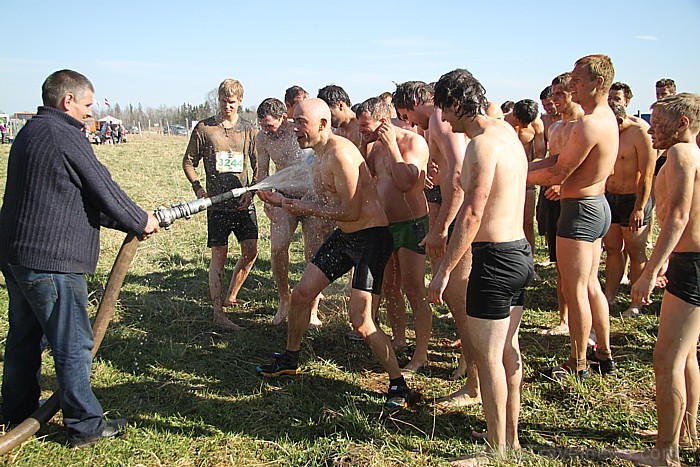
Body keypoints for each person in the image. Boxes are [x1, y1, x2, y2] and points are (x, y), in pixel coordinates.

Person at [0, 69, 159, 448]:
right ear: (67, 100)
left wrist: (120, 222)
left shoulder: (32, 131)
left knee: (24, 336)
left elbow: (69, 194)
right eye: (87, 104)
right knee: (72, 341)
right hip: (50, 260)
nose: (90, 112)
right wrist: (140, 220)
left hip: (18, 255)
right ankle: (85, 425)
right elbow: (100, 186)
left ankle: (17, 410)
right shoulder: (62, 133)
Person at [256, 98, 416, 409]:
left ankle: (399, 386)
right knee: (302, 294)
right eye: (293, 120)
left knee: (361, 321)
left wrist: (294, 206)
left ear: (324, 125)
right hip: (346, 236)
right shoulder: (316, 154)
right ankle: (290, 357)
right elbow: (321, 196)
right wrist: (278, 199)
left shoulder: (341, 154)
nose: (294, 127)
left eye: (301, 121)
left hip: (371, 238)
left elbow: (350, 210)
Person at [429, 68, 533, 463]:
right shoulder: (506, 132)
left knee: (490, 359)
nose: (445, 121)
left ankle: (497, 451)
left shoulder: (482, 145)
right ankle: (510, 437)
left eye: (445, 110)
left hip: (496, 260)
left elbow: (472, 212)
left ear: (456, 103)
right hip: (519, 251)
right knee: (508, 351)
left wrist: (444, 271)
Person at [619, 93, 700, 467]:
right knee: (684, 358)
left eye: (658, 121)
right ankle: (684, 431)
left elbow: (678, 217)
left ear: (683, 122)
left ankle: (666, 452)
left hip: (691, 264)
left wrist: (650, 270)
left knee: (667, 358)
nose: (650, 129)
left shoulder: (684, 154)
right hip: (687, 260)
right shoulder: (688, 153)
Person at [528, 55, 618, 379]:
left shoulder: (590, 123)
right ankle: (603, 355)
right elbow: (557, 158)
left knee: (575, 288)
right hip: (596, 205)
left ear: (597, 83)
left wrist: (514, 178)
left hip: (580, 211)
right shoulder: (604, 119)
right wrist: (522, 168)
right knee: (590, 285)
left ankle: (579, 364)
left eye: (578, 80)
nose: (572, 85)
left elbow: (560, 171)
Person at [393, 81, 480, 406]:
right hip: (449, 211)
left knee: (459, 299)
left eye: (406, 114)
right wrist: (436, 168)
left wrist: (442, 228)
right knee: (458, 302)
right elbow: (452, 166)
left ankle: (475, 383)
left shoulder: (439, 119)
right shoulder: (438, 124)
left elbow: (459, 171)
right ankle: (470, 367)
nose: (409, 122)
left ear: (414, 103)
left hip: (454, 217)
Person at [356, 97, 431, 372]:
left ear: (384, 123)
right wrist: (364, 147)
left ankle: (421, 354)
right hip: (386, 225)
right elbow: (364, 180)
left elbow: (405, 182)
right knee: (389, 287)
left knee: (414, 289)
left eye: (366, 126)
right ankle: (399, 338)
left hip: (412, 224)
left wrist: (391, 148)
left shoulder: (413, 143)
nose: (362, 130)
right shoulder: (373, 147)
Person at [182, 78, 258, 330]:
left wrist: (252, 192)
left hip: (243, 202)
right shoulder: (205, 129)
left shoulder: (248, 129)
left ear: (240, 102)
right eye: (224, 101)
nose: (228, 106)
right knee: (219, 256)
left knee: (251, 251)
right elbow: (188, 162)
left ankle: (232, 295)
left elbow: (258, 164)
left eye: (232, 102)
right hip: (217, 205)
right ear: (218, 100)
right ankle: (218, 312)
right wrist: (198, 187)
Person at [255, 97, 331, 327]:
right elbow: (262, 172)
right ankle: (284, 299)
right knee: (278, 248)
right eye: (262, 125)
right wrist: (265, 197)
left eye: (270, 125)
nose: (266, 130)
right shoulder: (262, 139)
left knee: (313, 254)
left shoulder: (299, 132)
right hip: (283, 198)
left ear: (284, 119)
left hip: (312, 197)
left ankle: (312, 308)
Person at [538, 73, 584, 337]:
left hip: (572, 199)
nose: (554, 101)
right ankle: (563, 318)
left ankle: (578, 324)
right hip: (551, 198)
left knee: (575, 270)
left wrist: (563, 185)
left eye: (559, 95)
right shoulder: (555, 128)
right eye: (552, 95)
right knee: (558, 262)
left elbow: (585, 167)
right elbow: (551, 161)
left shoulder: (583, 126)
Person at [602, 101, 655, 317]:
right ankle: (610, 295)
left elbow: (647, 174)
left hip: (633, 198)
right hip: (611, 197)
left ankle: (636, 303)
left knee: (635, 251)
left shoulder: (640, 133)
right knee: (613, 248)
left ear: (620, 120)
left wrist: (640, 208)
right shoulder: (607, 132)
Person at [505, 99, 546, 262]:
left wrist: (525, 171)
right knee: (507, 220)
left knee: (527, 221)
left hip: (527, 177)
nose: (524, 126)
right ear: (514, 113)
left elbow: (540, 155)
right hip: (506, 178)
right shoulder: (503, 123)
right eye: (521, 122)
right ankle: (511, 260)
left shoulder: (537, 125)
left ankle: (529, 261)